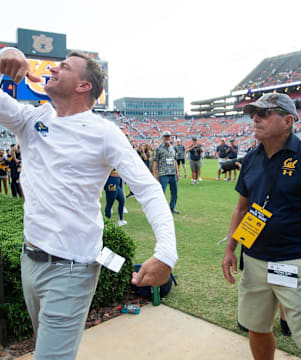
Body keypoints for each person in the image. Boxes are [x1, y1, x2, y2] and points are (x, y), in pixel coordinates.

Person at [0, 47, 178, 360]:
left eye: (64, 67)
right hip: (29, 260)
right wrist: (5, 56)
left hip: (72, 270)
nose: (53, 70)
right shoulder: (33, 119)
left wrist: (166, 253)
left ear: (84, 86)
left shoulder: (103, 133)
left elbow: (148, 190)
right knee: (46, 344)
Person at [222, 93, 301, 360]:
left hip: (295, 262)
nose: (255, 118)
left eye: (265, 113)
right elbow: (242, 208)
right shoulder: (251, 159)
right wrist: (230, 248)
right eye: (253, 113)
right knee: (256, 329)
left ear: (288, 120)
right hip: (255, 260)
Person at [153, 131, 180, 214]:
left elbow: (175, 160)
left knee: (174, 192)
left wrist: (177, 172)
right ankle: (160, 209)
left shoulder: (172, 148)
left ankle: (172, 208)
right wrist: (155, 174)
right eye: (165, 137)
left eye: (168, 137)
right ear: (162, 138)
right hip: (163, 173)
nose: (167, 138)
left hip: (172, 173)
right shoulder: (158, 148)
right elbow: (155, 161)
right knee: (162, 192)